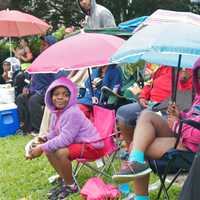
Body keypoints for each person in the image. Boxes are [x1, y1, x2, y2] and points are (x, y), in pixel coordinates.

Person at [112, 60, 200, 200]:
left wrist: (178, 125)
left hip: (192, 148)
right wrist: (180, 115)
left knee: (138, 144)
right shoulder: (198, 97)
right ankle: (136, 162)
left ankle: (135, 168)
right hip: (181, 132)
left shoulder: (186, 74)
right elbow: (192, 116)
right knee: (146, 117)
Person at [27, 77, 105, 199]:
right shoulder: (56, 112)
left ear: (71, 97)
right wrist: (45, 139)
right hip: (79, 144)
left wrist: (41, 147)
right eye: (56, 94)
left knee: (60, 152)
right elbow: (55, 132)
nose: (60, 97)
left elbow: (65, 139)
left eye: (65, 94)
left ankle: (71, 186)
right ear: (50, 97)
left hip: (93, 146)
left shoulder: (73, 112)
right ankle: (65, 180)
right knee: (49, 149)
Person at [116, 66, 192, 147]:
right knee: (123, 112)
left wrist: (184, 82)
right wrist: (143, 97)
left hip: (169, 109)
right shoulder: (164, 67)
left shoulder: (191, 72)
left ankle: (141, 152)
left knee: (144, 116)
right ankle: (130, 149)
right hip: (150, 104)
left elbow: (190, 98)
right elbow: (150, 84)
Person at [16, 36, 57, 134]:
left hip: (47, 92)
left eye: (44, 45)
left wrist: (42, 91)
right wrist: (26, 87)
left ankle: (39, 130)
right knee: (20, 98)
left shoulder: (55, 61)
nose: (41, 47)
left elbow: (57, 81)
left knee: (33, 100)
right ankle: (26, 128)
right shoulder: (39, 59)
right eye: (41, 45)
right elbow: (30, 76)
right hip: (34, 89)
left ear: (52, 46)